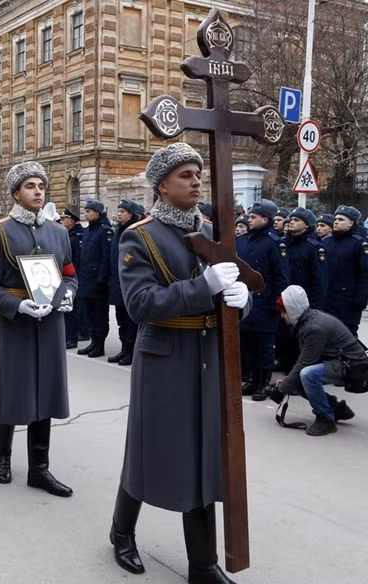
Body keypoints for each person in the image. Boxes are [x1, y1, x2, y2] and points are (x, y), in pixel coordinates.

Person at [109, 142, 250, 583]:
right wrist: (204, 285)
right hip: (165, 358)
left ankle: (202, 566)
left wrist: (241, 301)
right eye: (185, 175)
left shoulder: (214, 229)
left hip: (209, 357)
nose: (195, 181)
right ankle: (121, 533)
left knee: (205, 456)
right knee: (148, 453)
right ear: (161, 185)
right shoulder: (141, 234)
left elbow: (229, 290)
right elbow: (140, 304)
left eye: (198, 173)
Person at [0, 161, 77, 498]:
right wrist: (17, 305)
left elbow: (70, 275)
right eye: (30, 186)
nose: (38, 191)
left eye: (41, 186)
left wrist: (66, 297)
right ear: (16, 193)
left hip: (50, 323)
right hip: (17, 323)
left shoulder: (59, 232)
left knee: (46, 391)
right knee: (14, 389)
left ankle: (39, 468)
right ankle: (2, 456)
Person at [269, 285, 362, 436]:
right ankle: (336, 408)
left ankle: (326, 418)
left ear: (292, 310)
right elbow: (303, 361)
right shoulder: (308, 321)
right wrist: (286, 384)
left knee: (307, 375)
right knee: (299, 377)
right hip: (345, 362)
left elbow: (304, 364)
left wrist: (281, 389)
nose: (282, 316)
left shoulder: (313, 328)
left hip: (353, 366)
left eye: (284, 312)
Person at [236, 199, 289, 401]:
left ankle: (263, 382)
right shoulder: (242, 241)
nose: (249, 220)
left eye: (253, 217)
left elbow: (281, 276)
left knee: (265, 345)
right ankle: (251, 379)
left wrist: (276, 303)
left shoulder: (275, 243)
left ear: (265, 219)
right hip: (245, 300)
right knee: (248, 342)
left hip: (265, 302)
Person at [276, 208, 328, 372]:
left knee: (301, 333)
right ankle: (285, 360)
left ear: (307, 225)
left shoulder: (314, 247)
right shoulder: (283, 244)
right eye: (291, 219)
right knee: (284, 331)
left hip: (304, 299)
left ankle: (300, 365)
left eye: (297, 220)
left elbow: (319, 279)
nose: (291, 222)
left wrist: (315, 305)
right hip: (285, 296)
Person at [107, 199, 145, 365]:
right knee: (121, 320)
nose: (119, 214)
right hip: (117, 282)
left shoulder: (136, 231)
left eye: (122, 211)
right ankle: (124, 349)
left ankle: (132, 351)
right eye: (119, 210)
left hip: (130, 284)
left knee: (131, 322)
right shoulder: (118, 230)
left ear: (131, 214)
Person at [76, 198, 113, 358]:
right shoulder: (89, 230)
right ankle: (93, 341)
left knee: (99, 314)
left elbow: (106, 258)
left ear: (97, 213)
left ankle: (100, 345)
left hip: (98, 282)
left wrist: (101, 280)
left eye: (88, 211)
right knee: (89, 313)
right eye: (85, 211)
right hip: (86, 279)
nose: (86, 214)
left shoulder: (105, 231)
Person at [324, 205, 368, 336]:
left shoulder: (359, 244)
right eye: (335, 218)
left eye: (341, 219)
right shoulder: (326, 243)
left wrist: (360, 300)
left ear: (351, 223)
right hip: (327, 299)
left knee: (346, 336)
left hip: (347, 302)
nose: (336, 221)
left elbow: (364, 274)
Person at [60, 208, 84, 349]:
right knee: (65, 309)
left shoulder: (76, 236)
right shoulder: (66, 235)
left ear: (71, 220)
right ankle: (67, 335)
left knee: (72, 310)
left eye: (64, 219)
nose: (62, 222)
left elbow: (77, 260)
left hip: (73, 278)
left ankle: (72, 338)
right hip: (65, 277)